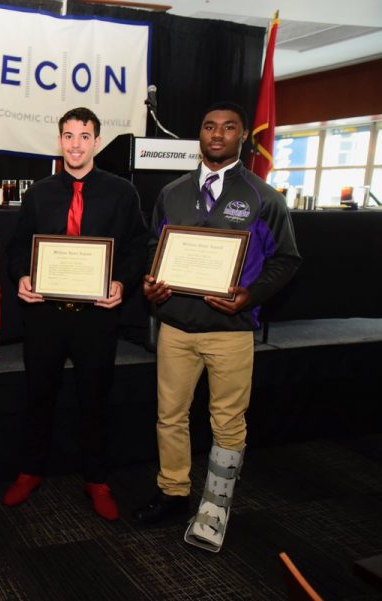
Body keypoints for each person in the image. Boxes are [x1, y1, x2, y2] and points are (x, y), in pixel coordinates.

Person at [133, 101, 301, 552]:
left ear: (242, 137)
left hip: (231, 332)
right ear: (200, 135)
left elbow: (287, 260)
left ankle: (216, 504)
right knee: (170, 415)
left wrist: (251, 295)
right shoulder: (172, 192)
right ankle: (172, 490)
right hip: (177, 328)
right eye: (209, 126)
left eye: (228, 128)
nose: (218, 134)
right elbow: (155, 246)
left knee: (227, 421)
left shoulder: (265, 197)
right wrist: (151, 283)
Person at [4, 107, 148, 521]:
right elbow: (17, 249)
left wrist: (121, 281)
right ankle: (30, 471)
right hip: (46, 316)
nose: (76, 144)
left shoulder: (122, 193)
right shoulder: (40, 193)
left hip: (97, 318)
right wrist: (23, 277)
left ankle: (97, 479)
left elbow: (139, 246)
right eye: (68, 135)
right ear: (60, 140)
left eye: (84, 136)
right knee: (38, 397)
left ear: (97, 142)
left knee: (95, 399)